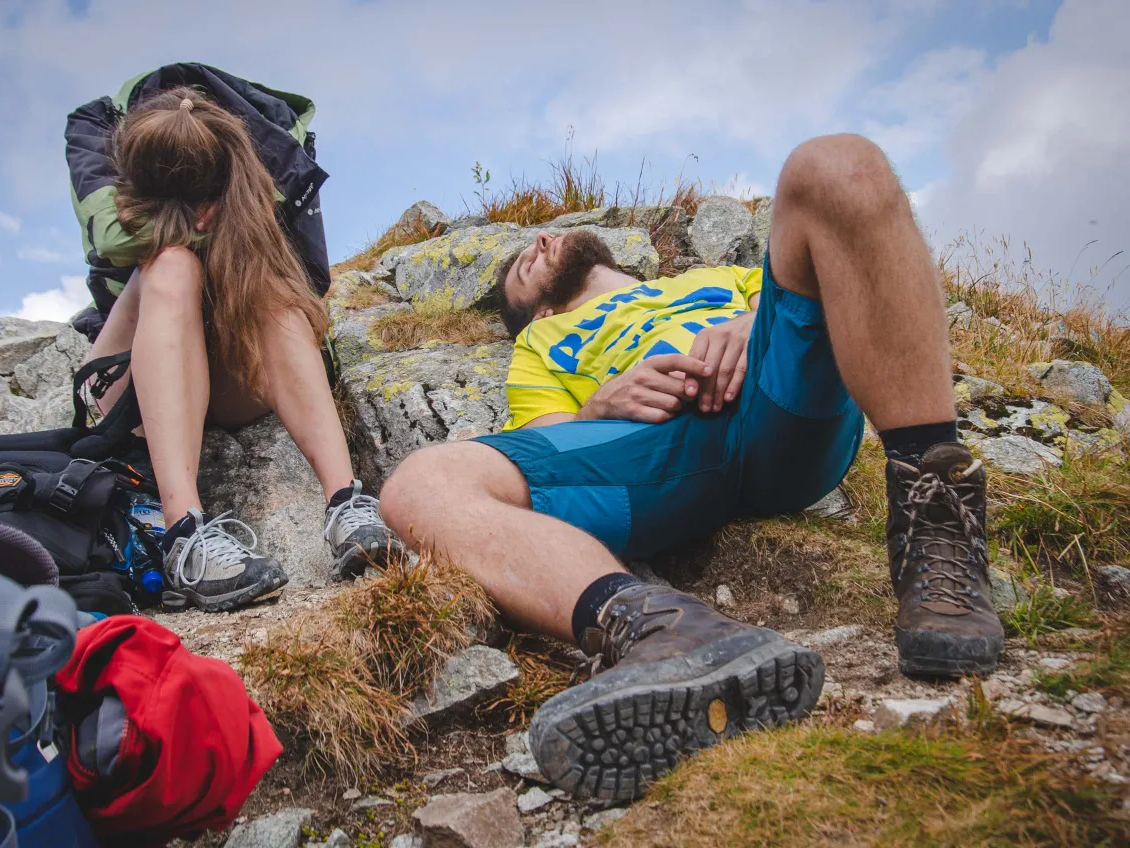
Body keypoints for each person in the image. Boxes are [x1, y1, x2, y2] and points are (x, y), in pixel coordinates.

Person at [379, 134, 1003, 801]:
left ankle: (939, 528)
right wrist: (599, 405)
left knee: (837, 164)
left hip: (778, 402)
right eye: (524, 270)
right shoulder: (539, 343)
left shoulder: (716, 280)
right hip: (650, 455)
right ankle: (663, 632)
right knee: (419, 484)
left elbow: (817, 287)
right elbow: (544, 439)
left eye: (538, 244)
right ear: (543, 309)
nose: (539, 242)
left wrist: (753, 322)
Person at [66, 65, 398, 612]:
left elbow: (306, 287)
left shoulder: (261, 153)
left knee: (268, 281)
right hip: (128, 393)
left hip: (229, 376)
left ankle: (347, 504)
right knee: (170, 264)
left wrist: (238, 222)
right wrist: (190, 225)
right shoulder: (96, 128)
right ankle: (183, 536)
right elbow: (110, 234)